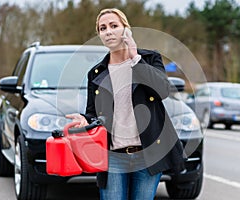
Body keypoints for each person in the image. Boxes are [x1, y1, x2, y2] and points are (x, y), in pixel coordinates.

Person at [66, 8, 185, 200]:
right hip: (113, 156)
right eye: (103, 28)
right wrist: (84, 120)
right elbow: (93, 113)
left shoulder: (148, 59)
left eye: (114, 26)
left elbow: (162, 90)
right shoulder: (96, 73)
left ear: (126, 29)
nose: (109, 31)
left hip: (148, 154)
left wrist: (134, 58)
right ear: (99, 35)